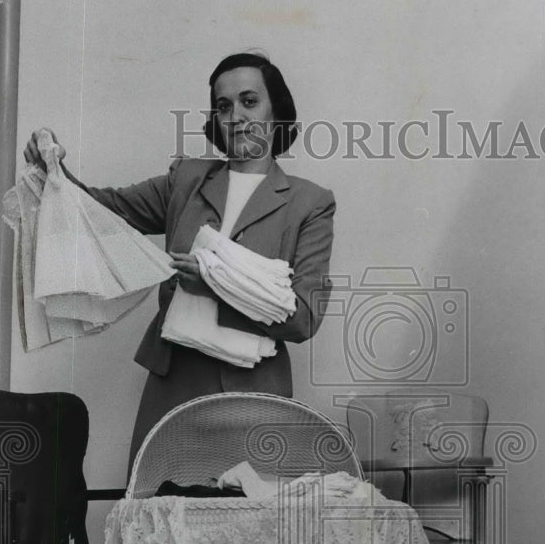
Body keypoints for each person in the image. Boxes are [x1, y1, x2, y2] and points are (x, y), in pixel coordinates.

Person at [24, 52, 336, 477]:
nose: (236, 117)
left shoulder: (309, 202)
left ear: (276, 110)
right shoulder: (186, 180)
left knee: (240, 530)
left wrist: (215, 283)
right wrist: (54, 172)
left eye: (250, 101)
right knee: (159, 518)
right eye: (223, 106)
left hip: (251, 398)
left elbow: (303, 320)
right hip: (174, 387)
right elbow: (102, 211)